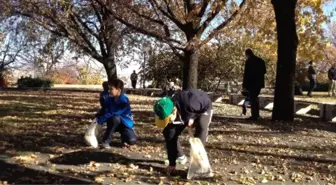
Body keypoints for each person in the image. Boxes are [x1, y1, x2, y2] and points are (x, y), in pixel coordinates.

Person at [153, 89, 213, 175]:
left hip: (203, 108)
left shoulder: (191, 103)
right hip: (185, 111)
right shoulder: (163, 107)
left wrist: (193, 118)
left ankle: (199, 163)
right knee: (169, 133)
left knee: (201, 129)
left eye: (168, 120)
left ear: (174, 111)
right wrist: (171, 164)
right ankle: (180, 156)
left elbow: (199, 107)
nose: (168, 122)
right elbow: (170, 137)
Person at [96, 79, 137, 149]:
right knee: (114, 119)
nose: (109, 91)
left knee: (131, 140)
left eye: (111, 89)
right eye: (109, 89)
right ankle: (106, 141)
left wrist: (102, 120)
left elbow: (114, 112)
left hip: (125, 124)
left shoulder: (123, 100)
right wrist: (98, 117)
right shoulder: (109, 99)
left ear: (119, 90)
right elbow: (105, 109)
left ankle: (124, 138)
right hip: (113, 122)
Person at [242, 49, 266, 121]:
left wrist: (244, 85)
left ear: (247, 54)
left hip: (251, 83)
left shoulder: (249, 61)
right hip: (258, 83)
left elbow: (246, 74)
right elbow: (264, 71)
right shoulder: (261, 61)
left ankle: (254, 116)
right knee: (255, 98)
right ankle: (256, 114)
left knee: (253, 99)